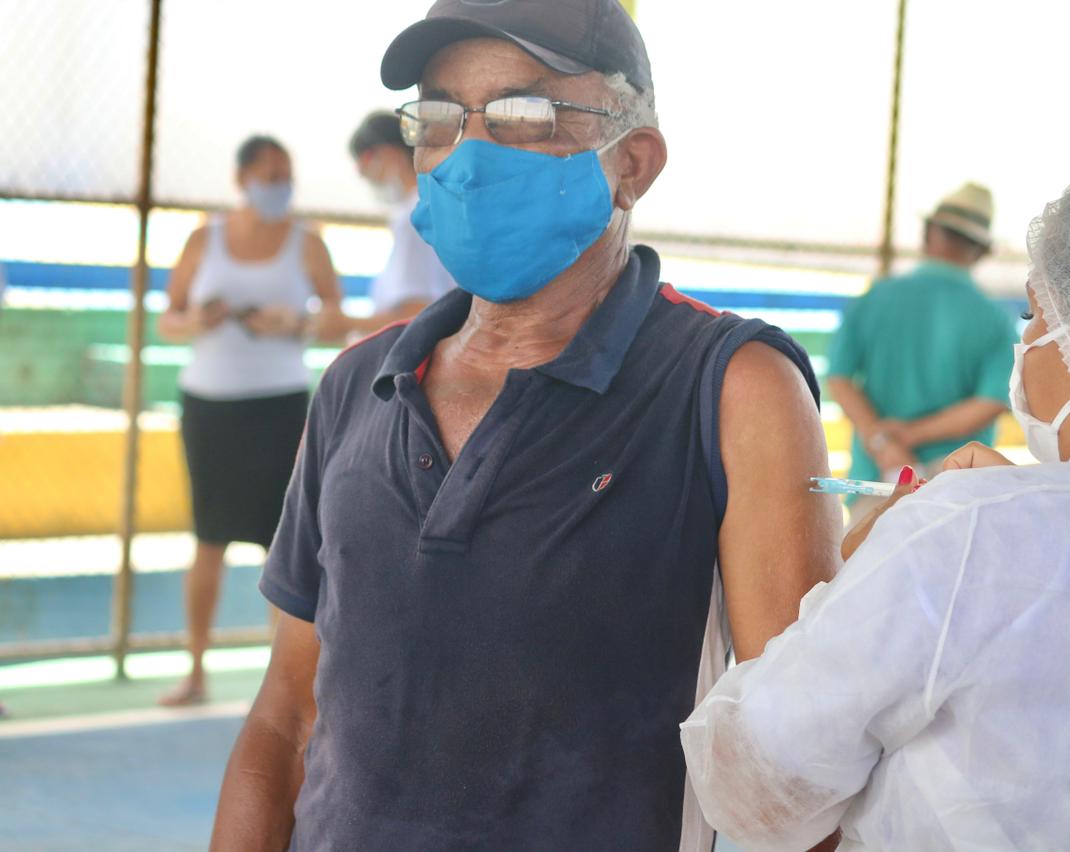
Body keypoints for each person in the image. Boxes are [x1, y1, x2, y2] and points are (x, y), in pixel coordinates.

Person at [210, 1, 840, 850]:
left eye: (525, 114)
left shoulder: (732, 387)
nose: (470, 155)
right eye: (440, 117)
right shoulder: (360, 385)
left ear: (632, 164)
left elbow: (796, 772)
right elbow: (286, 717)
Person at [681, 153, 1070, 851]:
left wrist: (863, 580)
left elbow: (757, 789)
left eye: (1034, 313)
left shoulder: (968, 536)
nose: (1025, 341)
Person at [156, 135, 342, 706]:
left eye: (286, 176)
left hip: (280, 407)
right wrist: (198, 320)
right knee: (208, 538)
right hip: (209, 406)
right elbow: (168, 318)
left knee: (283, 545)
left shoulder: (309, 244)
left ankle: (281, 688)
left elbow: (337, 320)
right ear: (242, 180)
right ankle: (195, 672)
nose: (279, 187)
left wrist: (295, 324)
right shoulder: (202, 239)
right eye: (269, 175)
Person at [827, 183, 1016, 520]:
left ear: (928, 234)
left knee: (866, 552)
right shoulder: (995, 320)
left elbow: (840, 378)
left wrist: (884, 443)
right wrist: (911, 434)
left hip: (876, 480)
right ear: (981, 251)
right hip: (957, 486)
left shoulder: (874, 298)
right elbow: (990, 403)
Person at [309, 112, 456, 342]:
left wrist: (345, 322)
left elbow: (417, 316)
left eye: (367, 171)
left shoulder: (414, 216)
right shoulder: (434, 204)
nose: (369, 181)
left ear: (388, 154)